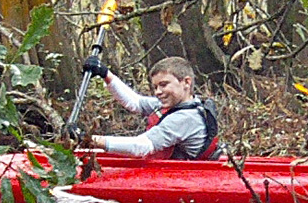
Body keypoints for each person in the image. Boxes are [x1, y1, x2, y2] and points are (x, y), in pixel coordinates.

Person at [81, 56, 220, 160]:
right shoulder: (173, 105)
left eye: (164, 84)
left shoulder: (185, 118)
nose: (158, 92)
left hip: (185, 178)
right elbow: (135, 102)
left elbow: (140, 147)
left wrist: (90, 140)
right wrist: (106, 74)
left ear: (186, 82)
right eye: (155, 87)